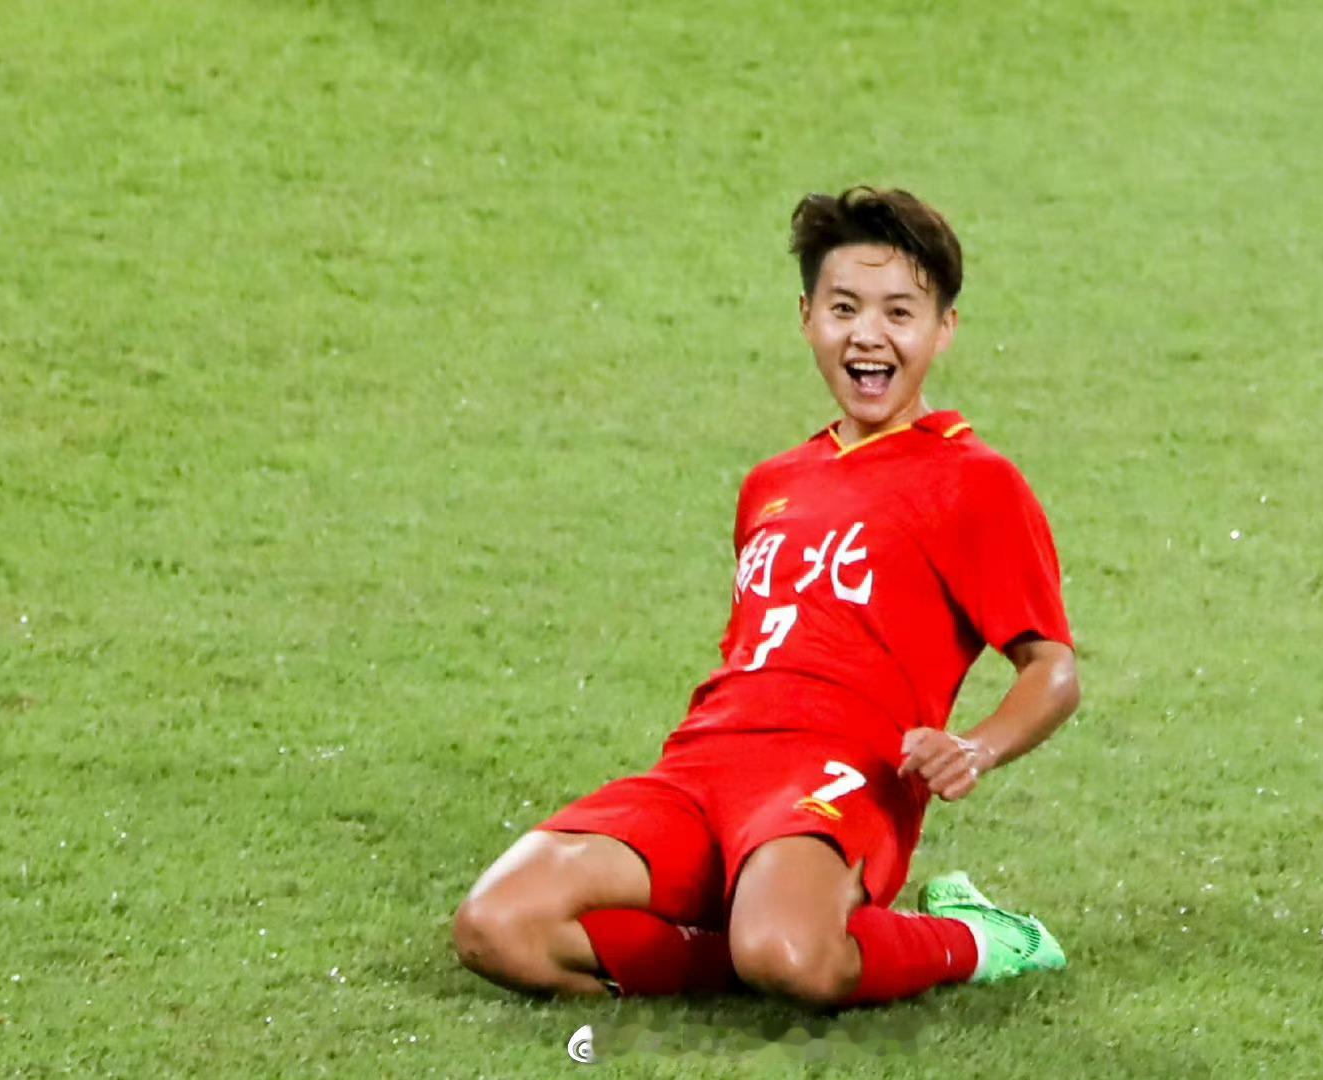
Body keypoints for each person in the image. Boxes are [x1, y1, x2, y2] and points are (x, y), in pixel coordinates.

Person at [454, 186, 1080, 1008]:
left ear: (943, 329)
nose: (868, 335)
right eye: (844, 308)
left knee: (788, 954)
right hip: (701, 766)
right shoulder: (771, 484)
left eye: (899, 313)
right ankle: (759, 941)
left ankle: (978, 937)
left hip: (841, 773)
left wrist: (975, 747)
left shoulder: (975, 482)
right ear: (807, 317)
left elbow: (1053, 669)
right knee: (496, 926)